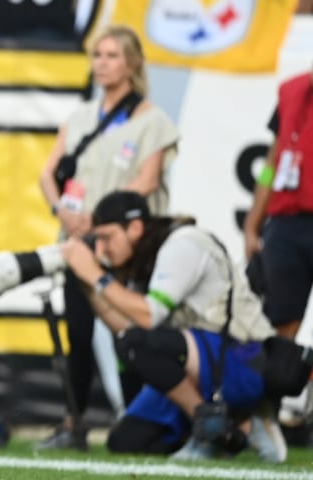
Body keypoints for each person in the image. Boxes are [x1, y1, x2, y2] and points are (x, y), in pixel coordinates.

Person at [62, 191, 286, 462]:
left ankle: (228, 424)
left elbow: (146, 320)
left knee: (137, 343)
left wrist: (95, 274)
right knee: (125, 442)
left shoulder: (182, 244)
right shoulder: (142, 257)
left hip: (246, 360)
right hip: (201, 366)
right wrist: (88, 286)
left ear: (134, 228)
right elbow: (124, 328)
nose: (102, 249)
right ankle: (229, 430)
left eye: (106, 237)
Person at [37, 25, 179, 450]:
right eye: (97, 55)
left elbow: (148, 181)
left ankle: (142, 415)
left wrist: (99, 220)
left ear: (132, 64)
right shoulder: (81, 116)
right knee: (78, 333)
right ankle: (73, 422)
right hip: (79, 238)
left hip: (127, 246)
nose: (102, 63)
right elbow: (48, 173)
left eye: (112, 55)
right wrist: (60, 209)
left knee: (133, 332)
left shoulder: (153, 120)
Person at [243, 67, 313, 426]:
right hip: (287, 223)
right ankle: (264, 416)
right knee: (279, 323)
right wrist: (254, 221)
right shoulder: (292, 91)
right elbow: (272, 162)